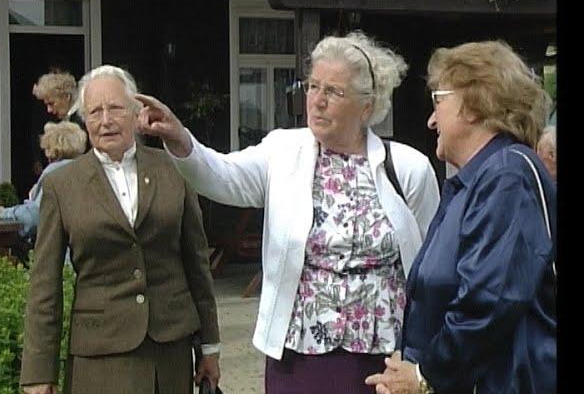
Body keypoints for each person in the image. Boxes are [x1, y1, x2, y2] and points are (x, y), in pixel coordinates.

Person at [135, 30, 441, 394]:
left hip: (384, 358)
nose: (317, 101)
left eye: (333, 91)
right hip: (299, 352)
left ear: (366, 106)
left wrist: (426, 357)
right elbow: (221, 176)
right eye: (313, 86)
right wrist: (179, 137)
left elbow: (432, 265)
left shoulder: (409, 168)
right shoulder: (284, 151)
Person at [365, 40, 556, 394]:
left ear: (474, 104)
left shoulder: (507, 177)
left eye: (439, 100)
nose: (431, 119)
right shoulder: (480, 179)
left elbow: (490, 301)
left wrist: (425, 375)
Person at [19, 65, 221, 394]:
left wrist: (210, 347)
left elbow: (196, 263)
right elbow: (45, 285)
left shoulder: (174, 171)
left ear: (135, 113)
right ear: (83, 119)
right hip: (99, 356)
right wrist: (39, 373)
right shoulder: (61, 185)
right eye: (95, 111)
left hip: (168, 352)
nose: (106, 120)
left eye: (115, 108)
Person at [0, 121, 87, 261]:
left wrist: (4, 213)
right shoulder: (86, 168)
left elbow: (35, 216)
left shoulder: (55, 172)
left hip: (62, 257)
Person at [30, 68, 81, 178]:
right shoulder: (69, 118)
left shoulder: (83, 120)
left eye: (51, 103)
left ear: (66, 97)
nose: (49, 110)